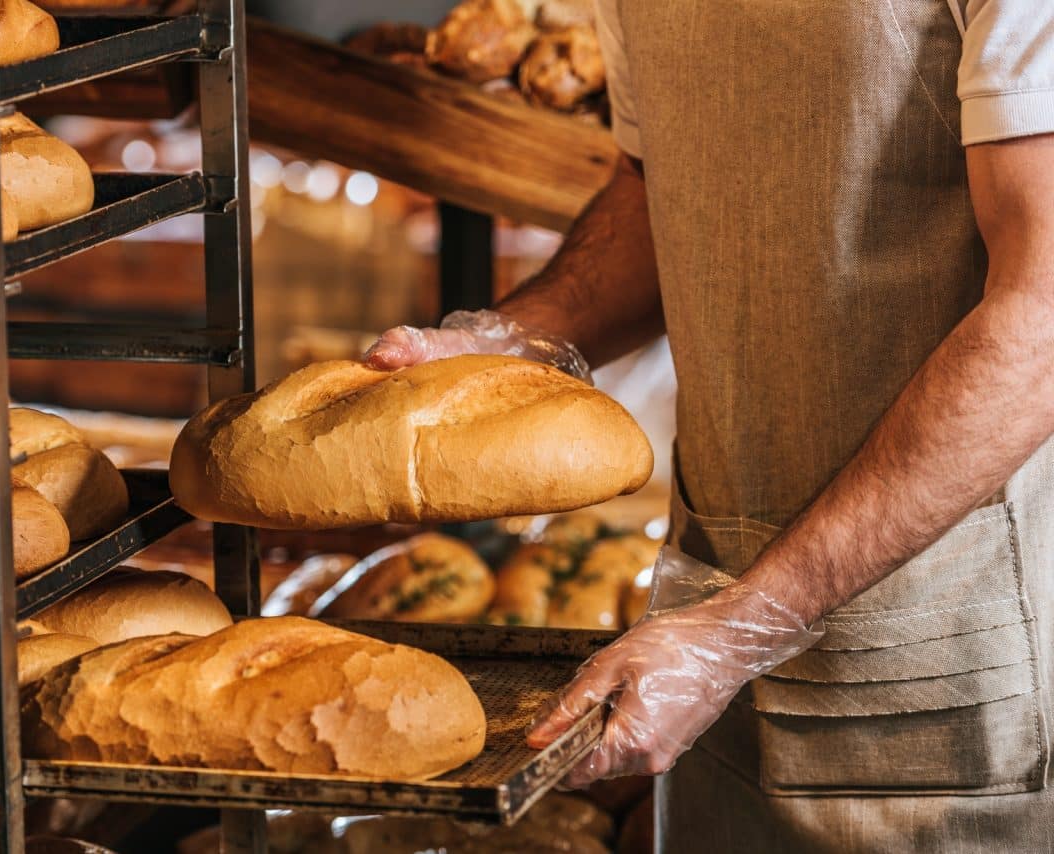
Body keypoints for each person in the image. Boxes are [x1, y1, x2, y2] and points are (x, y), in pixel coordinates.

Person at [363, 1, 1054, 850]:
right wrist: (507, 343)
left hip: (932, 658)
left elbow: (1042, 314)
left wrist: (744, 625)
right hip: (703, 624)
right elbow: (664, 192)